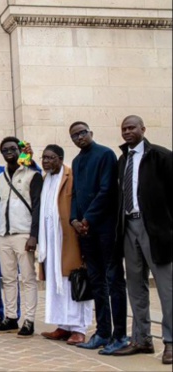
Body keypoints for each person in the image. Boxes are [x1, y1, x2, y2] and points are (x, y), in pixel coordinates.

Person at [112, 115, 172, 364]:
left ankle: (170, 342)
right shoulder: (123, 159)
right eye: (124, 128)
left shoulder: (161, 156)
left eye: (131, 128)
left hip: (156, 229)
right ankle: (141, 339)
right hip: (129, 226)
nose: (127, 132)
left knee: (167, 288)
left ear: (143, 129)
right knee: (135, 286)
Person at [68, 121, 127, 354]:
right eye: (75, 135)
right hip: (85, 230)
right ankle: (103, 332)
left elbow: (107, 191)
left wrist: (88, 218)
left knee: (114, 280)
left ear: (91, 133)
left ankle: (120, 335)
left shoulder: (105, 154)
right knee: (96, 281)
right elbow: (75, 194)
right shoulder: (76, 160)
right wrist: (74, 219)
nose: (80, 137)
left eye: (83, 133)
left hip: (104, 228)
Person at [37, 145, 92, 346]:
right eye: (43, 158)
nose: (46, 162)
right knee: (56, 282)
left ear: (60, 159)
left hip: (68, 238)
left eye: (50, 158)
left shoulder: (71, 176)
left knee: (73, 282)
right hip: (51, 241)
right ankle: (63, 325)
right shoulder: (46, 179)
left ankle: (78, 328)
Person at [0, 137, 42, 338]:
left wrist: (34, 235)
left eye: (13, 148)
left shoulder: (32, 175)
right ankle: (11, 317)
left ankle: (29, 320)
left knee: (28, 279)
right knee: (9, 278)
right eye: (5, 149)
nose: (9, 152)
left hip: (24, 234)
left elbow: (36, 206)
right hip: (3, 234)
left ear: (20, 151)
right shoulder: (0, 177)